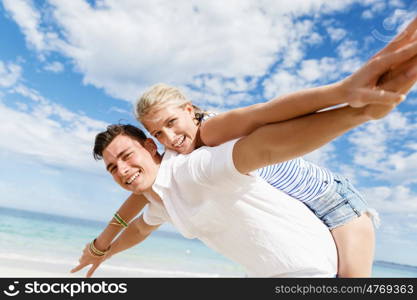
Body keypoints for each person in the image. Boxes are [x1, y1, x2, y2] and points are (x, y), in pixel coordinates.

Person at [71, 18, 417, 277]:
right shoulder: (174, 158)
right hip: (304, 213)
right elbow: (141, 200)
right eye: (158, 133)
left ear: (190, 110)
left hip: (337, 204)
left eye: (172, 123)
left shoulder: (211, 132)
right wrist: (101, 248)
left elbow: (266, 116)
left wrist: (344, 98)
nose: (170, 137)